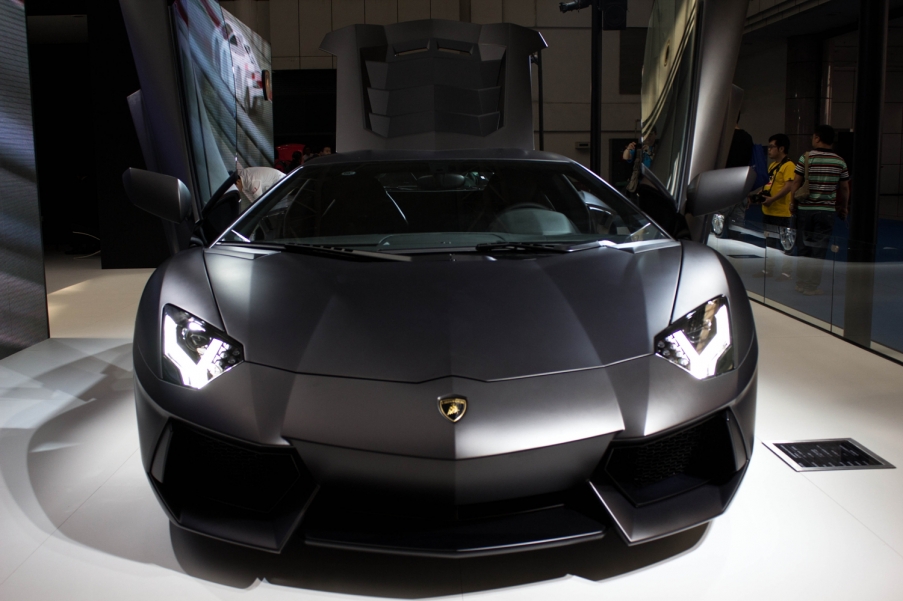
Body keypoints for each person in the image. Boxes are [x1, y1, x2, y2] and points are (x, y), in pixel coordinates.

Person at [788, 124, 850, 296]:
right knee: (819, 249)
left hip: (805, 209)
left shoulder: (806, 158)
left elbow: (796, 182)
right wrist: (844, 207)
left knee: (803, 246)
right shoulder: (839, 161)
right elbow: (845, 188)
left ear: (817, 138)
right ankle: (811, 286)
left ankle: (800, 283)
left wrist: (792, 203)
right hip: (826, 211)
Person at [751, 133, 796, 281]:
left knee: (785, 243)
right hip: (769, 210)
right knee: (769, 242)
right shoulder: (772, 166)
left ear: (781, 148)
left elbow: (789, 186)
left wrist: (773, 199)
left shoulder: (789, 165)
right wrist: (761, 193)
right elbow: (769, 184)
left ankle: (786, 272)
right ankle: (768, 269)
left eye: (772, 147)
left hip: (782, 212)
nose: (769, 150)